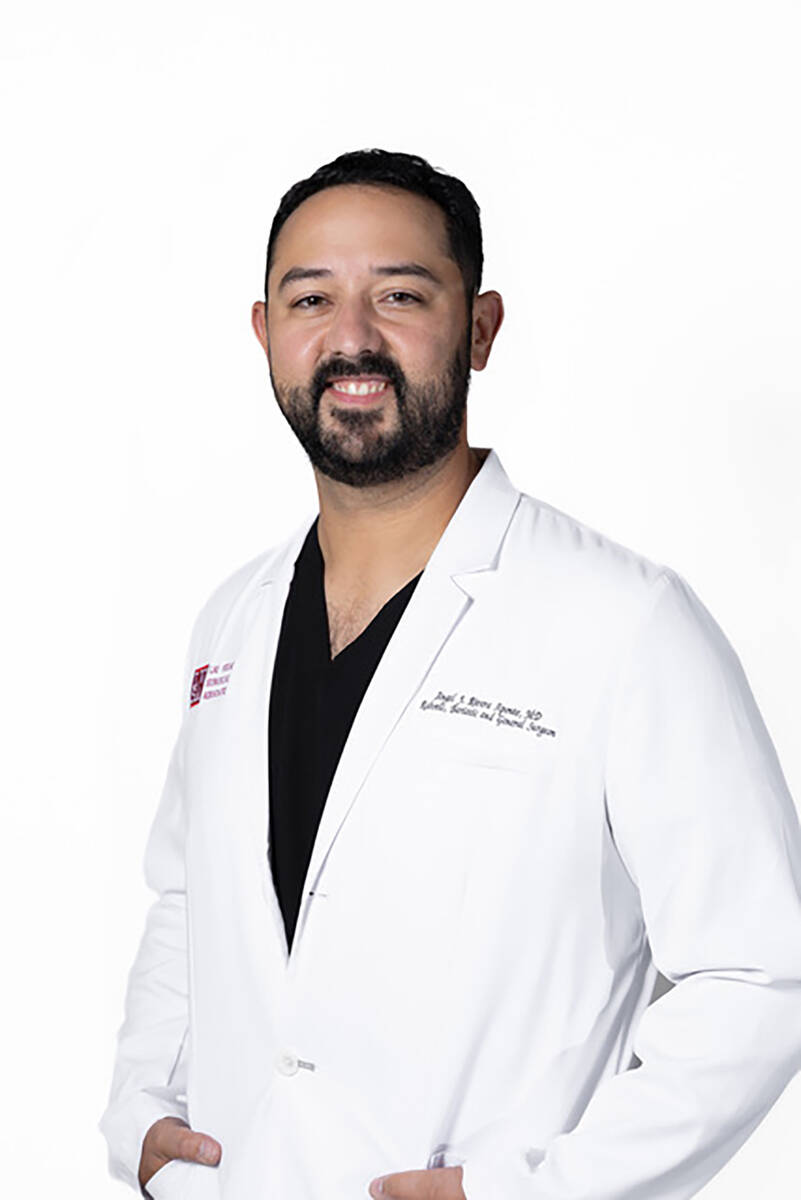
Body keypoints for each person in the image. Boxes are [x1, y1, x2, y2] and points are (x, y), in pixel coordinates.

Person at [98, 148, 801, 1200]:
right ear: (265, 333)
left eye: (401, 295)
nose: (351, 338)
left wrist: (542, 1190)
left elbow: (762, 971)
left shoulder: (624, 622)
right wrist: (143, 1109)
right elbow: (188, 897)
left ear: (479, 327)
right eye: (311, 299)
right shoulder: (232, 620)